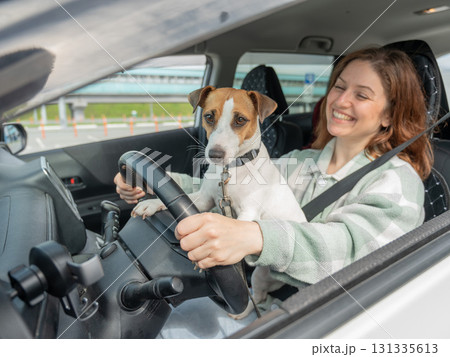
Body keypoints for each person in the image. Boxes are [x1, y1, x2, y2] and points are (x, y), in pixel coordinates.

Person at [114, 47, 432, 337]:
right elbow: (225, 186)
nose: (342, 101)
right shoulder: (299, 162)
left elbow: (350, 251)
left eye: (361, 95)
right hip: (257, 305)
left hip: (324, 321)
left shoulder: (397, 182)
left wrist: (257, 237)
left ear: (389, 114)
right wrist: (156, 182)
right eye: (339, 86)